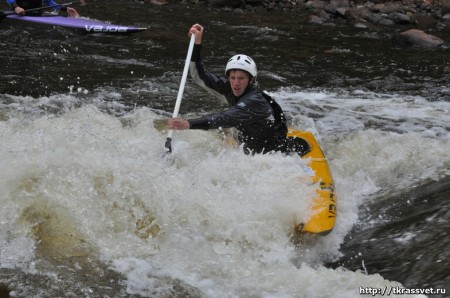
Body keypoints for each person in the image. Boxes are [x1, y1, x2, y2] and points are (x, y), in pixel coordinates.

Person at [168, 23, 310, 156]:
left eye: (241, 78)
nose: (236, 83)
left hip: (273, 155)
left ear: (251, 80)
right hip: (248, 146)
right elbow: (199, 76)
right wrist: (196, 44)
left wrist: (188, 124)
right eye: (232, 77)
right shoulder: (229, 87)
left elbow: (226, 118)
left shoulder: (254, 100)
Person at [5, 0, 79, 17]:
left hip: (37, 14)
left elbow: (49, 2)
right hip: (19, 14)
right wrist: (16, 7)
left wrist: (65, 9)